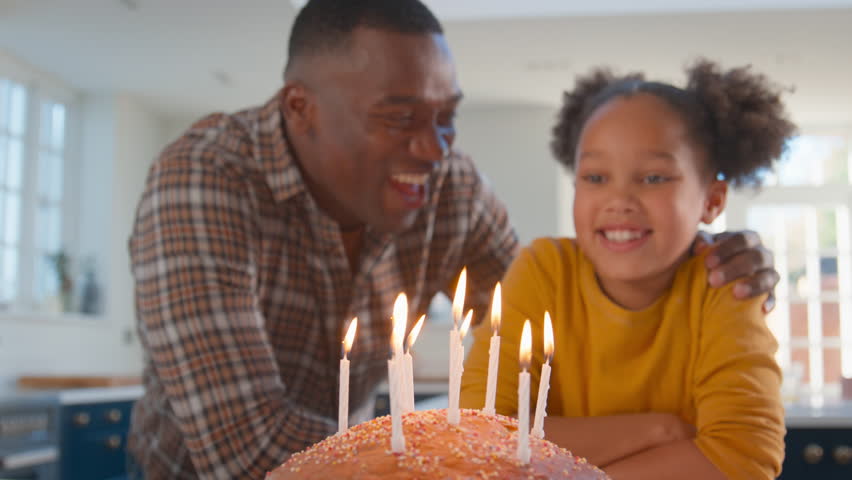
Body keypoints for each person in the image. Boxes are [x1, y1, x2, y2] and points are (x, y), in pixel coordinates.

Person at [127, 1, 781, 478]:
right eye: (401, 118)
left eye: (447, 118)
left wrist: (703, 253)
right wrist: (657, 432)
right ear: (302, 108)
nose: (433, 148)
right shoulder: (206, 179)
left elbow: (540, 347)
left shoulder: (450, 186)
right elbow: (248, 450)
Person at [461, 59, 797, 479]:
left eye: (654, 178)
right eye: (596, 177)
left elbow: (745, 458)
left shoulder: (724, 284)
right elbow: (477, 434)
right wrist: (662, 431)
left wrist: (551, 459)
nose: (618, 199)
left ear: (712, 200)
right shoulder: (543, 271)